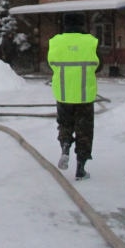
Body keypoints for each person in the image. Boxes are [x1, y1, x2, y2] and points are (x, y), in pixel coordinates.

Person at [48, 14, 99, 181]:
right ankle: (81, 168)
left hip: (63, 94)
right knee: (84, 131)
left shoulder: (55, 41)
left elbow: (51, 64)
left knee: (65, 124)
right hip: (85, 95)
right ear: (82, 24)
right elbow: (99, 64)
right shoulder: (90, 41)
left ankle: (65, 146)